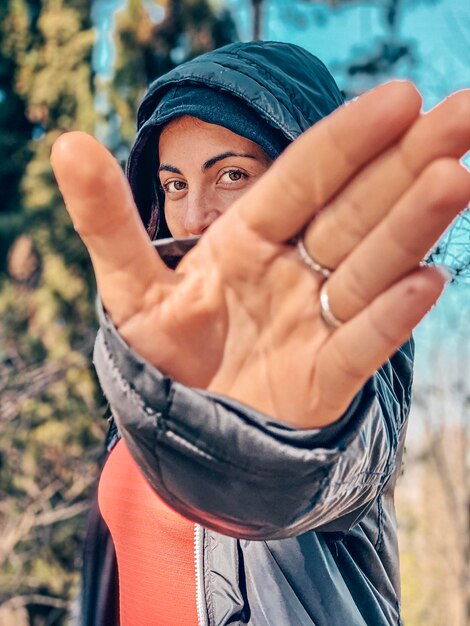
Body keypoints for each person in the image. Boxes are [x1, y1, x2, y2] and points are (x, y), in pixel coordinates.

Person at [50, 41, 470, 626]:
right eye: (174, 185)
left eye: (232, 174)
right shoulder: (149, 372)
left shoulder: (349, 359)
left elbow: (319, 470)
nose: (194, 215)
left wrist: (263, 434)